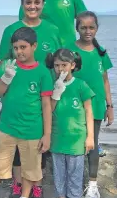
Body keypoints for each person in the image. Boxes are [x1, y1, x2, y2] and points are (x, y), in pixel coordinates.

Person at [0, 0, 61, 198]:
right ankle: (17, 184)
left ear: (43, 4)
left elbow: (60, 60)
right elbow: (3, 64)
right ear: (22, 4)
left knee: (35, 151)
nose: (33, 6)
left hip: (42, 96)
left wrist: (62, 87)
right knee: (10, 148)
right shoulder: (11, 30)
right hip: (14, 99)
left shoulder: (52, 30)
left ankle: (33, 185)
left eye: (37, 2)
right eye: (28, 2)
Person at [67, 11, 114, 198]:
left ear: (96, 28)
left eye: (91, 27)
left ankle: (92, 185)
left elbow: (105, 81)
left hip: (96, 106)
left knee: (92, 143)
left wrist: (110, 107)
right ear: (77, 28)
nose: (87, 31)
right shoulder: (69, 50)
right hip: (74, 106)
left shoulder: (100, 51)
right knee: (75, 144)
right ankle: (73, 182)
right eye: (83, 27)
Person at [46, 49, 95, 198]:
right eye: (56, 65)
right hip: (57, 140)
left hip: (76, 142)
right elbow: (48, 111)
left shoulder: (80, 85)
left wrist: (90, 137)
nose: (60, 69)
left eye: (64, 65)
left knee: (75, 179)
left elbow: (89, 111)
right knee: (59, 179)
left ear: (72, 65)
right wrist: (56, 92)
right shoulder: (51, 84)